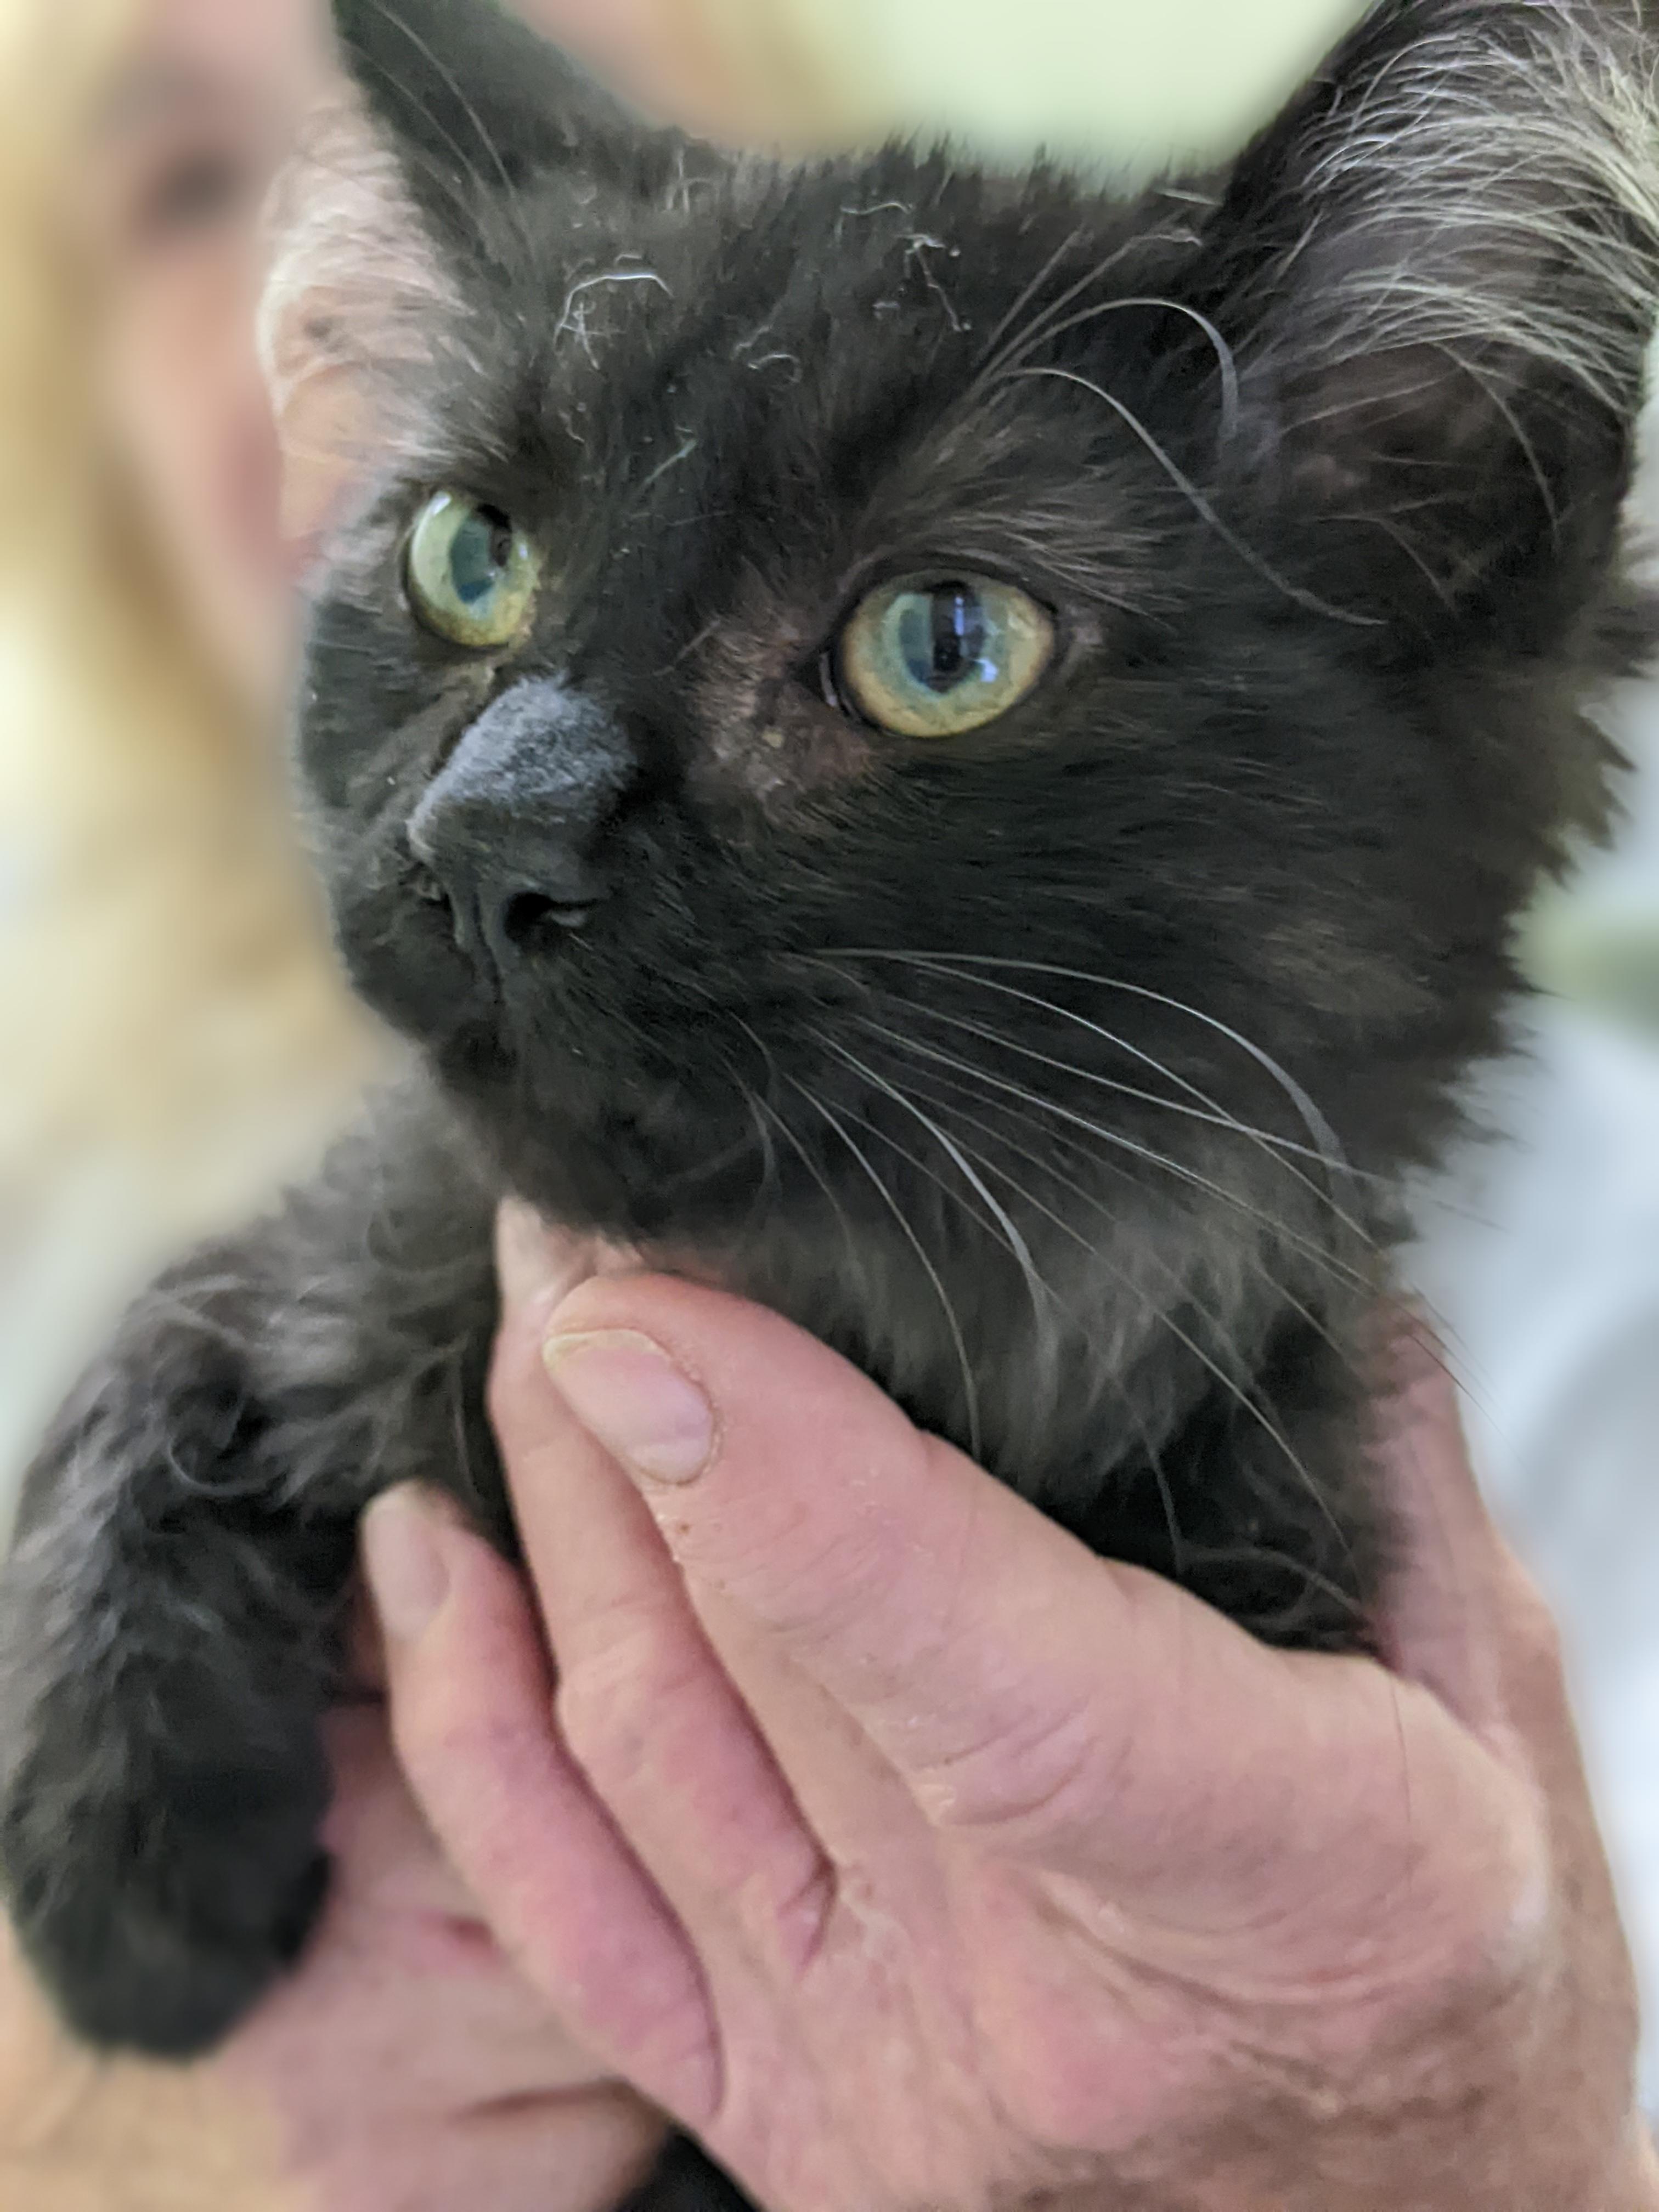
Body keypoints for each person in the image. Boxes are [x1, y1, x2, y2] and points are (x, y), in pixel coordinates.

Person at [0, 2, 1654, 2206]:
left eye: (932, 643)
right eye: (480, 564)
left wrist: (1472, 2140)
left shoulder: (1592, 1279)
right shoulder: (69, 1123)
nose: (490, 815)